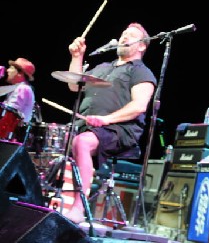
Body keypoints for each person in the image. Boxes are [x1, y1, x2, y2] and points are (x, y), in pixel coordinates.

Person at [62, 22, 157, 224]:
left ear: (142, 46)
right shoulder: (103, 67)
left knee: (82, 142)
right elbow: (73, 85)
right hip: (89, 126)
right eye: (123, 33)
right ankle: (56, 199)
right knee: (58, 145)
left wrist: (106, 119)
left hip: (119, 130)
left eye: (130, 35)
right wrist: (77, 57)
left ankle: (79, 208)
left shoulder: (140, 72)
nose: (124, 37)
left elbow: (139, 106)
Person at [0, 58, 36, 140]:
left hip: (11, 138)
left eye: (11, 68)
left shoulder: (23, 88)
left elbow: (9, 117)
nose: (8, 70)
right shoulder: (18, 88)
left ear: (20, 73)